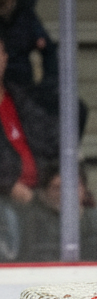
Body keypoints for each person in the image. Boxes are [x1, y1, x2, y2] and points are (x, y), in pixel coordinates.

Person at [16, 163, 97, 261]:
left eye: (72, 187)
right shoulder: (33, 221)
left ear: (84, 189)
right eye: (57, 188)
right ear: (45, 193)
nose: (66, 193)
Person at [0, 34, 56, 208]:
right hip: (6, 199)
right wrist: (8, 185)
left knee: (96, 217)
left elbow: (52, 142)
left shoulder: (22, 100)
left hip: (41, 194)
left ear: (5, 58)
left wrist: (53, 181)